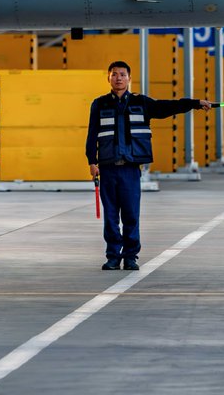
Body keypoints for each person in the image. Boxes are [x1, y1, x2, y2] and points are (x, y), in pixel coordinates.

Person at [87, 60, 211, 271]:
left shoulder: (141, 103)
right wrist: (92, 161)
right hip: (108, 169)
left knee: (130, 215)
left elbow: (167, 106)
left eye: (123, 74)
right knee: (110, 216)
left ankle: (131, 256)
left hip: (130, 169)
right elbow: (92, 135)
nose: (118, 78)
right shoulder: (99, 104)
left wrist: (194, 102)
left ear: (129, 79)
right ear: (108, 78)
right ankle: (113, 257)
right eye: (114, 74)